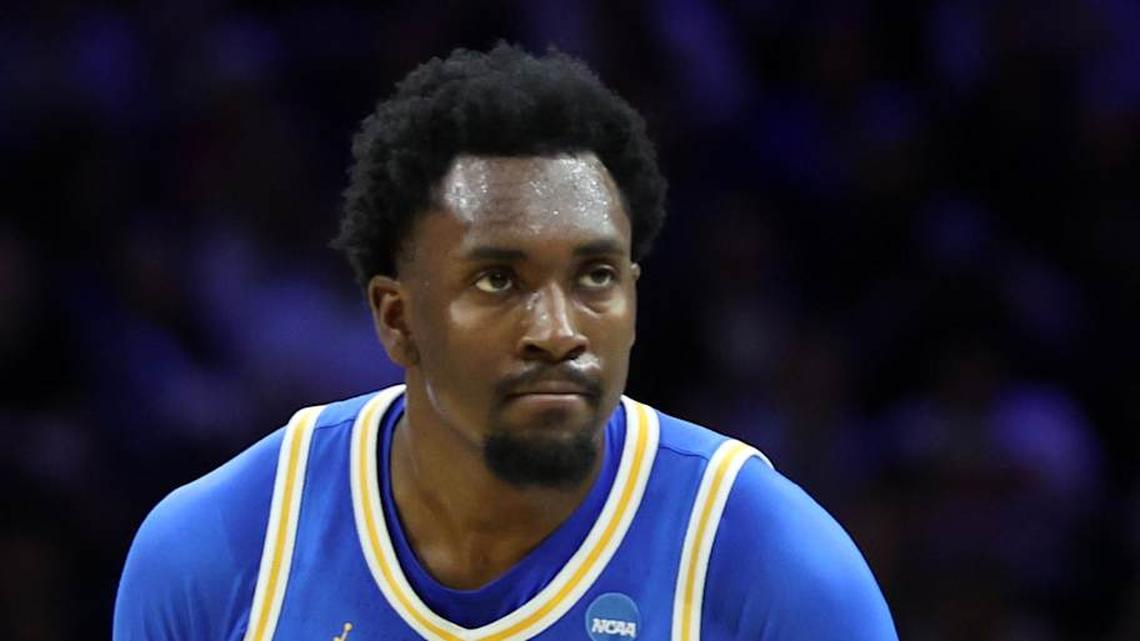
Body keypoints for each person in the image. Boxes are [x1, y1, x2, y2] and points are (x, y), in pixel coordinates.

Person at [114, 43, 898, 641]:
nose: (559, 331)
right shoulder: (219, 552)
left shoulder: (774, 567)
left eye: (595, 276)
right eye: (498, 280)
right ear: (396, 318)